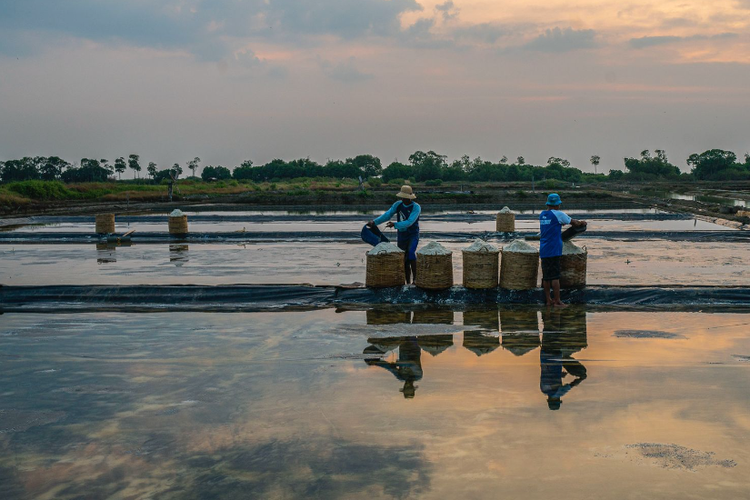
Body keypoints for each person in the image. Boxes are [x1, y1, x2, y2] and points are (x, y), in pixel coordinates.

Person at [365, 185, 421, 283]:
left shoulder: (416, 207)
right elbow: (387, 215)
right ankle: (407, 282)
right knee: (404, 258)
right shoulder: (398, 205)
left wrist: (395, 224)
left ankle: (415, 280)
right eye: (403, 197)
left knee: (411, 253)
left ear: (410, 197)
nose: (404, 199)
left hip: (412, 234)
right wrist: (374, 222)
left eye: (406, 197)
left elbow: (410, 222)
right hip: (402, 235)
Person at [539, 193, 586, 307]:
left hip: (544, 248)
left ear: (548, 204)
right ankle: (558, 301)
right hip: (554, 249)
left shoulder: (543, 214)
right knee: (555, 277)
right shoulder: (558, 214)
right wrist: (582, 223)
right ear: (557, 205)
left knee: (546, 277)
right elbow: (574, 222)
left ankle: (548, 300)